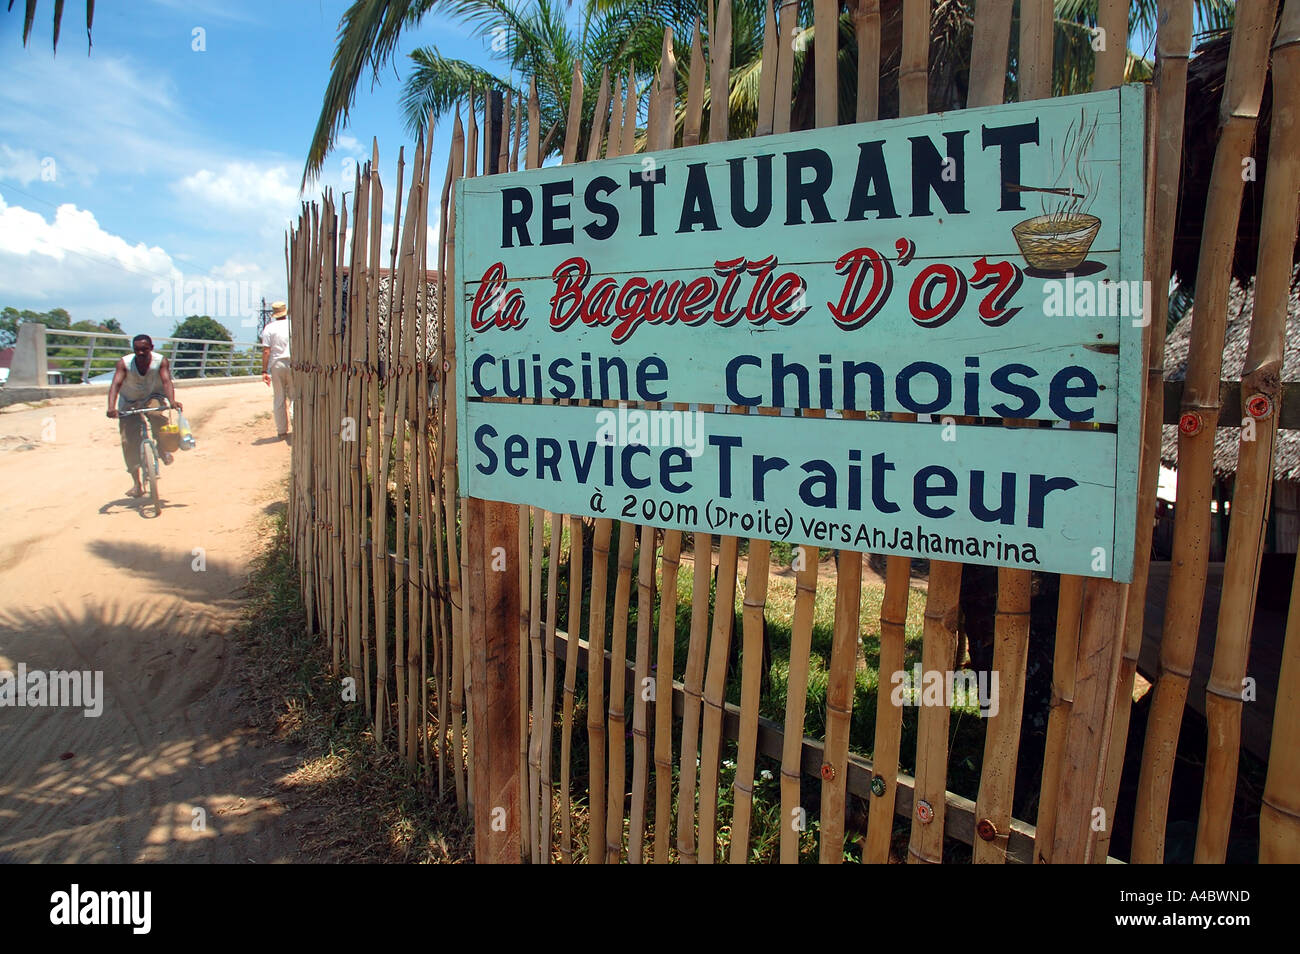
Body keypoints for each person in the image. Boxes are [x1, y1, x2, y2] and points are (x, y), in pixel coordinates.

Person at [105, 334, 182, 499]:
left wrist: (172, 401)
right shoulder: (124, 364)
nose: (140, 353)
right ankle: (137, 484)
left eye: (144, 349)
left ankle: (162, 449)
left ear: (151, 348)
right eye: (137, 350)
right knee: (128, 441)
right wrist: (111, 407)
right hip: (129, 400)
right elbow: (116, 385)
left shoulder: (160, 361)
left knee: (155, 415)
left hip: (152, 396)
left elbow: (167, 381)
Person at [261, 301, 292, 441]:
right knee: (294, 396)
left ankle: (281, 431)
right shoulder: (293, 325)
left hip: (276, 364)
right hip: (293, 363)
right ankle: (296, 423)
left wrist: (264, 370)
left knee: (279, 398)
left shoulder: (269, 328)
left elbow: (266, 351)